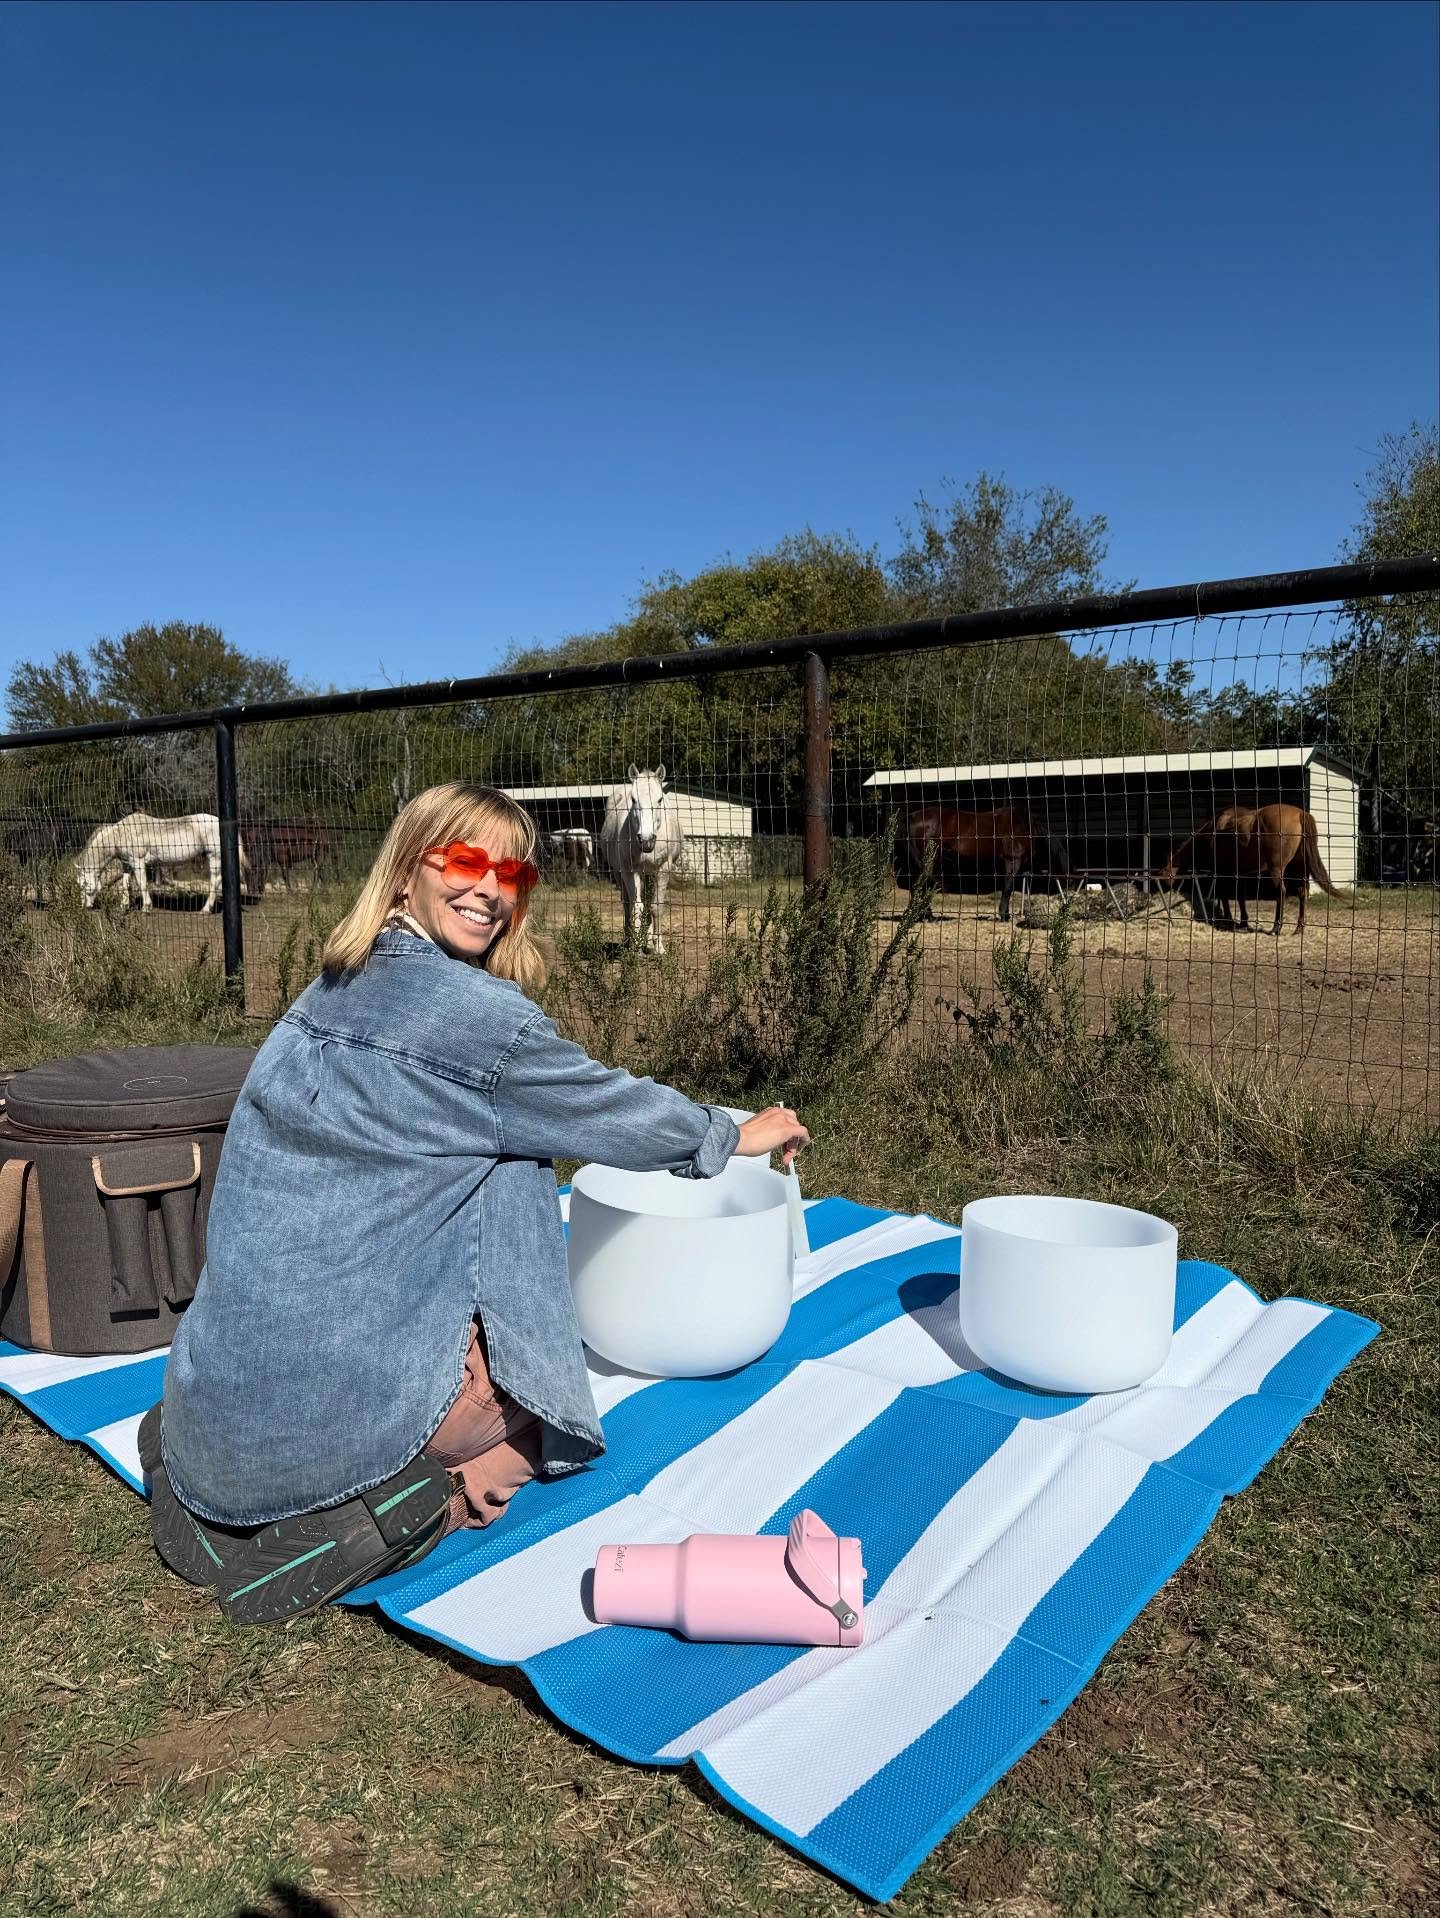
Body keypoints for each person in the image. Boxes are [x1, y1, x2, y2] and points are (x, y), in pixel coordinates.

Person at [140, 782, 808, 1626]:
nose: (491, 890)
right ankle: (440, 1494)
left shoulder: (324, 992)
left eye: (513, 874)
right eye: (464, 860)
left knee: (490, 1141)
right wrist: (735, 1134)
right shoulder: (485, 1021)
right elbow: (611, 1110)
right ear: (404, 872)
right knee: (539, 1393)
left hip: (219, 1398)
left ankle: (213, 1482)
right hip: (353, 1416)